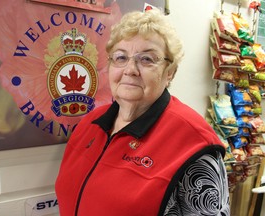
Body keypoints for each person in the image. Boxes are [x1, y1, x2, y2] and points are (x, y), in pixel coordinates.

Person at [55, 8, 230, 216]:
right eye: (121, 57)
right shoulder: (90, 124)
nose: (130, 69)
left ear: (170, 72)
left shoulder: (194, 142)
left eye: (147, 59)